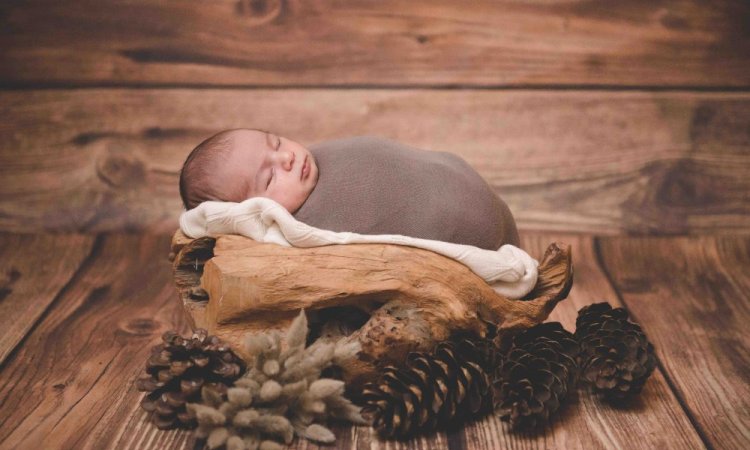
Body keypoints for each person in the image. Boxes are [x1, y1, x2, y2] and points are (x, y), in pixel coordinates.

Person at [179, 128, 519, 250]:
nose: (286, 157)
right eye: (268, 179)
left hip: (471, 190)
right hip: (469, 243)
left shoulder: (318, 157)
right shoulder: (300, 233)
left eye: (276, 141)